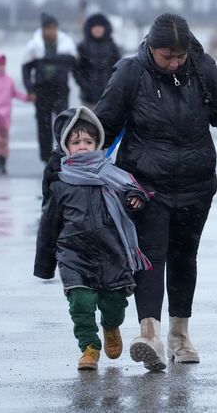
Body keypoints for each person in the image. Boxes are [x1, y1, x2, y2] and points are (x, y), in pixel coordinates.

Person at [91, 12, 217, 371]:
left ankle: (180, 336)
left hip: (196, 183)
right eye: (166, 57)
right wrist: (68, 160)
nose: (174, 63)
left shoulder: (202, 68)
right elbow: (105, 124)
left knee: (185, 257)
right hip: (145, 186)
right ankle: (149, 336)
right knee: (151, 256)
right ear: (151, 49)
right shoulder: (130, 73)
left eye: (180, 56)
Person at [33, 106, 150, 371]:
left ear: (97, 143)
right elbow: (49, 225)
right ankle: (88, 347)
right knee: (81, 303)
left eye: (88, 141)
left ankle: (111, 326)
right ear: (66, 147)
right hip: (74, 254)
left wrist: (134, 200)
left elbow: (132, 198)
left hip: (112, 252)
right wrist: (44, 264)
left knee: (114, 303)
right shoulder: (60, 182)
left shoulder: (111, 175)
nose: (83, 146)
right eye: (76, 143)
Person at [22, 13, 78, 162]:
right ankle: (46, 158)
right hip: (42, 91)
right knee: (44, 126)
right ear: (43, 30)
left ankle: (63, 155)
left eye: (54, 28)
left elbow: (75, 64)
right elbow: (26, 68)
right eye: (48, 28)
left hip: (60, 90)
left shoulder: (66, 44)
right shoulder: (34, 45)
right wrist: (29, 89)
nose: (51, 31)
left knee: (63, 124)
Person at [75, 13, 121, 108]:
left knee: (107, 122)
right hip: (88, 97)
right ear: (90, 28)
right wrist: (85, 86)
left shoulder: (112, 47)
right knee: (88, 122)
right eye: (95, 26)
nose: (98, 29)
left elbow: (119, 69)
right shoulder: (82, 47)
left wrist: (112, 85)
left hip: (109, 95)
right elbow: (77, 70)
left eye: (100, 26)